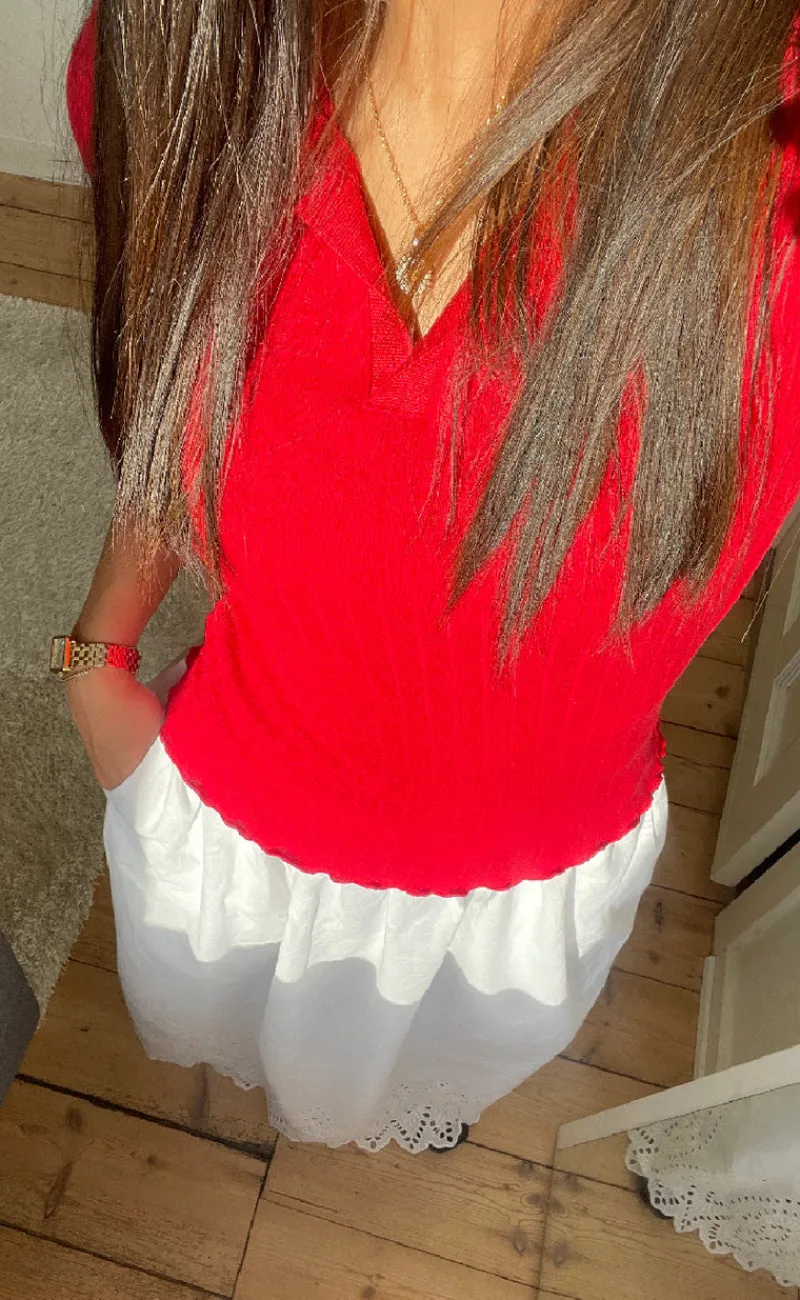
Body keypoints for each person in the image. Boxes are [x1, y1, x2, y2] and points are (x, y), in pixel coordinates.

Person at [55, 0, 800, 1154]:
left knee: (410, 1077)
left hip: (521, 906)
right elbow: (179, 407)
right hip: (226, 831)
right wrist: (94, 655)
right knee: (239, 1038)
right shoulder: (183, 60)